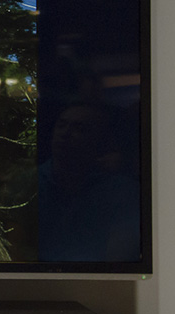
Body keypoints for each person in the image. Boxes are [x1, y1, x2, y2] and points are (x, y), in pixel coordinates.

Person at [37, 102, 141, 262]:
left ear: (98, 140)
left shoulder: (122, 191)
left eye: (79, 128)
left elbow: (119, 259)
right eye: (62, 125)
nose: (65, 133)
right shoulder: (28, 182)